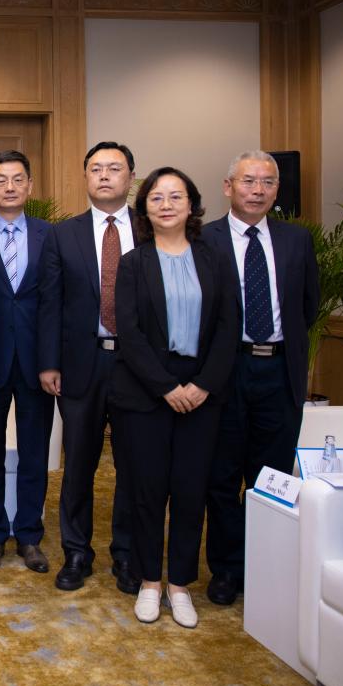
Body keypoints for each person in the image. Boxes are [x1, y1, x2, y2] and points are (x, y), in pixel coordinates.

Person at [111, 167, 238, 628]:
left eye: (175, 196)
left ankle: (180, 584)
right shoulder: (133, 263)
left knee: (190, 491)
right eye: (156, 198)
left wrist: (203, 384)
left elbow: (228, 327)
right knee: (147, 492)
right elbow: (129, 333)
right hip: (147, 392)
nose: (166, 205)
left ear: (191, 205)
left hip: (202, 391)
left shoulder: (215, 259)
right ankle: (149, 581)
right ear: (144, 208)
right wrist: (165, 385)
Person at [202, 151, 319, 606]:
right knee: (222, 475)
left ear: (276, 190)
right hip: (225, 370)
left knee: (270, 476)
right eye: (248, 181)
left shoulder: (297, 240)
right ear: (228, 186)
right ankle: (227, 569)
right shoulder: (204, 239)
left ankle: (263, 567)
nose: (258, 190)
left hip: (279, 371)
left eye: (267, 182)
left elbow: (307, 306)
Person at [38, 141, 140, 594]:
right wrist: (49, 363)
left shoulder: (151, 229)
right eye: (95, 169)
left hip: (139, 366)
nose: (104, 176)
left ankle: (127, 554)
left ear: (130, 177)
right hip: (81, 363)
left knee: (134, 465)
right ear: (85, 177)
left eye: (113, 168)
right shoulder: (64, 234)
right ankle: (76, 551)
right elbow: (50, 303)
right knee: (78, 463)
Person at [0, 151, 54, 575]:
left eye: (17, 179)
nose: (9, 186)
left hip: (37, 362)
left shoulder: (49, 235)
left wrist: (53, 360)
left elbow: (57, 302)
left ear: (30, 186)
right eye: (1, 180)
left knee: (34, 453)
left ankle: (29, 535)